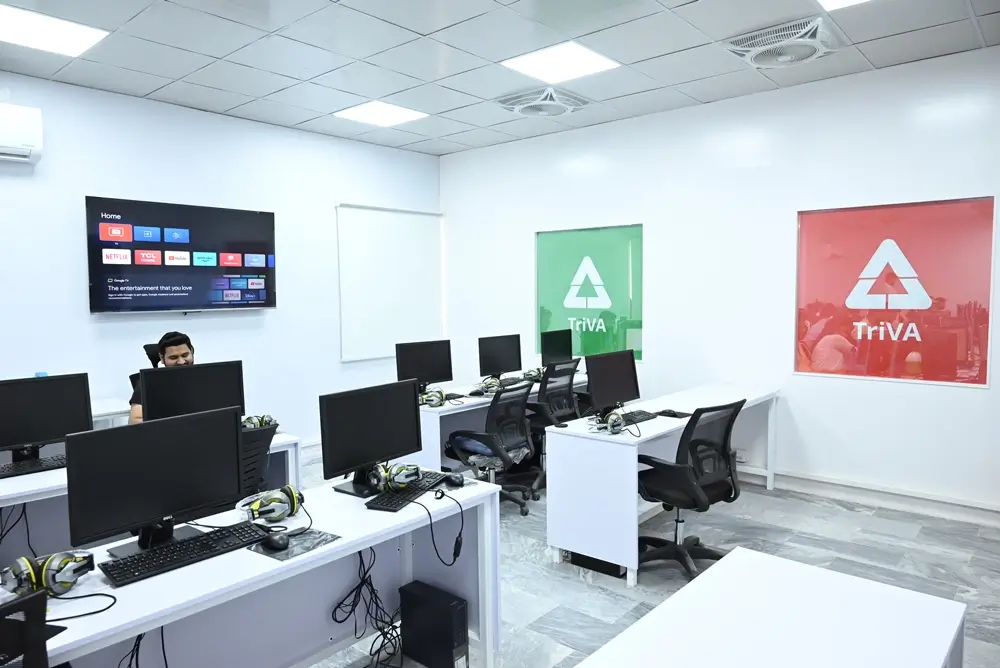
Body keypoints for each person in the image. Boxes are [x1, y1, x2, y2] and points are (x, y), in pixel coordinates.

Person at [128, 331, 194, 424]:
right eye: (173, 357)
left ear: (191, 352)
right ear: (162, 358)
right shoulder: (149, 382)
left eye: (185, 355)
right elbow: (135, 421)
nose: (181, 361)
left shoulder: (206, 376)